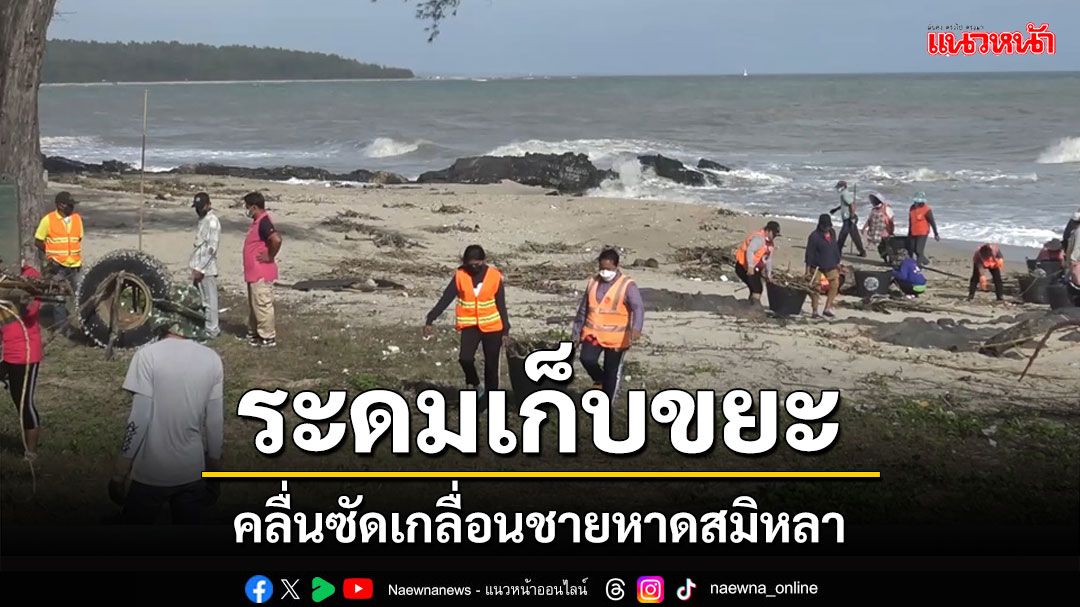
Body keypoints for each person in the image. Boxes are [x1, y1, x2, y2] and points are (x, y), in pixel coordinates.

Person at [109, 285, 222, 524]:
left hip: (151, 472)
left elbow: (139, 418)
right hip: (192, 471)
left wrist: (120, 472)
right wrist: (214, 472)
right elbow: (214, 423)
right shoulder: (212, 360)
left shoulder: (147, 356)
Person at [424, 245, 510, 397]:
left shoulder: (494, 276)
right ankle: (476, 384)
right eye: (470, 264)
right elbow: (446, 299)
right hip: (470, 326)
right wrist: (430, 318)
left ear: (483, 261)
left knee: (491, 366)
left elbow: (501, 305)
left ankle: (491, 399)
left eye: (477, 264)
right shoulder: (460, 275)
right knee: (465, 359)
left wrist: (506, 330)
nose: (474, 267)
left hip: (492, 327)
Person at [571, 248, 644, 401]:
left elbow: (638, 307)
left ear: (616, 266)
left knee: (612, 372)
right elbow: (583, 309)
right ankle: (600, 380)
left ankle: (607, 405)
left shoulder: (627, 285)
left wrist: (637, 328)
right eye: (601, 268)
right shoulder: (593, 282)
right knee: (587, 359)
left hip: (617, 339)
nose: (604, 272)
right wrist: (577, 332)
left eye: (608, 269)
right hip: (593, 334)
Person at [1, 263, 44, 461]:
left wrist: (13, 294)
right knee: (17, 398)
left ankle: (31, 453)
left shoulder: (28, 276)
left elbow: (30, 310)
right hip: (8, 352)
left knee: (23, 402)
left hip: (25, 353)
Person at [34, 191, 83, 334]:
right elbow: (38, 241)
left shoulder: (77, 219)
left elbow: (78, 239)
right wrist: (50, 254)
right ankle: (63, 329)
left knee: (81, 296)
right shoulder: (48, 220)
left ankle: (87, 327)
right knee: (59, 299)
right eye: (69, 205)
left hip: (75, 265)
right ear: (60, 205)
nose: (72, 208)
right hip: (57, 266)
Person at [242, 192, 282, 347]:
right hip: (253, 273)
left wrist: (270, 255)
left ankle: (268, 336)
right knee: (255, 305)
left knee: (262, 303)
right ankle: (256, 333)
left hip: (261, 272)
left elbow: (276, 239)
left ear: (254, 207)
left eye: (247, 207)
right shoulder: (257, 221)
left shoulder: (264, 221)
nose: (246, 210)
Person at [189, 193, 221, 339]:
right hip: (198, 266)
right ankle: (203, 326)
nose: (198, 210)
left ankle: (212, 330)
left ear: (208, 204)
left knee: (210, 301)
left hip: (206, 269)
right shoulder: (202, 220)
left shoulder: (212, 221)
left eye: (201, 207)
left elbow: (211, 248)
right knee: (201, 300)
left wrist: (201, 268)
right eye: (197, 207)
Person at [733, 221, 781, 305]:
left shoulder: (770, 244)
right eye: (774, 234)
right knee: (757, 289)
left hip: (755, 269)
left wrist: (768, 274)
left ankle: (750, 306)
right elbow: (750, 250)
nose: (774, 237)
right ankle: (754, 307)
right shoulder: (759, 239)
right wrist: (750, 266)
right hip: (743, 267)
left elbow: (768, 259)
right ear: (768, 231)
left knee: (755, 288)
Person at [805, 214, 842, 318]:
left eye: (828, 226)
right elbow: (809, 253)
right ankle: (815, 311)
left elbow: (835, 247)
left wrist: (838, 262)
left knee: (835, 284)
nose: (827, 228)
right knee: (816, 287)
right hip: (816, 266)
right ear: (820, 225)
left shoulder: (832, 233)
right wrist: (807, 271)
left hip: (831, 264)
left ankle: (827, 308)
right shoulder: (814, 236)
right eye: (825, 226)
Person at [831, 181, 866, 257]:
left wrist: (852, 216)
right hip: (848, 218)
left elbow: (852, 205)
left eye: (838, 187)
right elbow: (845, 205)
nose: (838, 189)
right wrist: (835, 209)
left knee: (842, 235)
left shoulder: (844, 194)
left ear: (843, 187)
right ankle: (862, 252)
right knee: (855, 236)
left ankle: (838, 251)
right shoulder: (844, 194)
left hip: (849, 219)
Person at [906, 192, 940, 266]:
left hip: (923, 232)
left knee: (918, 250)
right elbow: (910, 221)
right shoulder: (911, 208)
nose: (915, 203)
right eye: (915, 201)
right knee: (913, 249)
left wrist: (936, 233)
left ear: (921, 202)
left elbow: (932, 222)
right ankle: (925, 261)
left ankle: (918, 266)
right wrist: (909, 233)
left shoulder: (927, 210)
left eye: (917, 202)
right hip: (913, 231)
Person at [861, 192, 895, 259]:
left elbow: (891, 220)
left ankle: (891, 259)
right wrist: (864, 228)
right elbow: (869, 220)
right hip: (875, 233)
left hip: (885, 232)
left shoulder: (887, 209)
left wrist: (891, 230)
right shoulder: (873, 210)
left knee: (887, 246)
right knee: (880, 248)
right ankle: (885, 258)